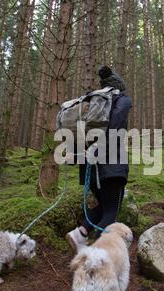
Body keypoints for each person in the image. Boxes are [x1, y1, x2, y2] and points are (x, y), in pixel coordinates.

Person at [66, 65, 132, 252]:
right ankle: (97, 255)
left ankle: (80, 233)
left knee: (104, 205)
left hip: (88, 163)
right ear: (119, 85)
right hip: (110, 163)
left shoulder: (92, 102)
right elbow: (116, 127)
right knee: (112, 210)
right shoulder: (122, 99)